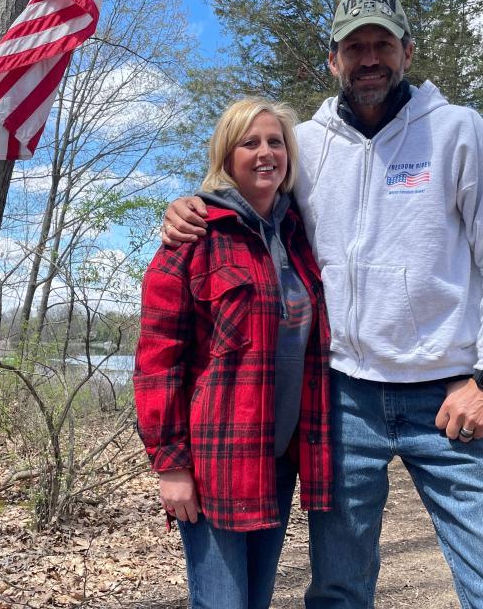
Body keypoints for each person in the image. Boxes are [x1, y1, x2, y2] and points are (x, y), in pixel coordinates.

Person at [162, 0, 483, 608]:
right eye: (355, 46)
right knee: (340, 589)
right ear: (333, 60)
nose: (370, 58)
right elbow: (252, 204)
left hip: (449, 397)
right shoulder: (307, 146)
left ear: (407, 52)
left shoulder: (458, 133)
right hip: (343, 401)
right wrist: (192, 205)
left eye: (382, 44)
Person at [133, 97, 333, 609]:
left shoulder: (300, 236)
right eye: (250, 142)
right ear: (227, 155)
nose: (265, 152)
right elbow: (157, 362)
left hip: (279, 459)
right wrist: (171, 466)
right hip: (216, 460)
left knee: (256, 600)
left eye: (275, 142)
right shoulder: (194, 236)